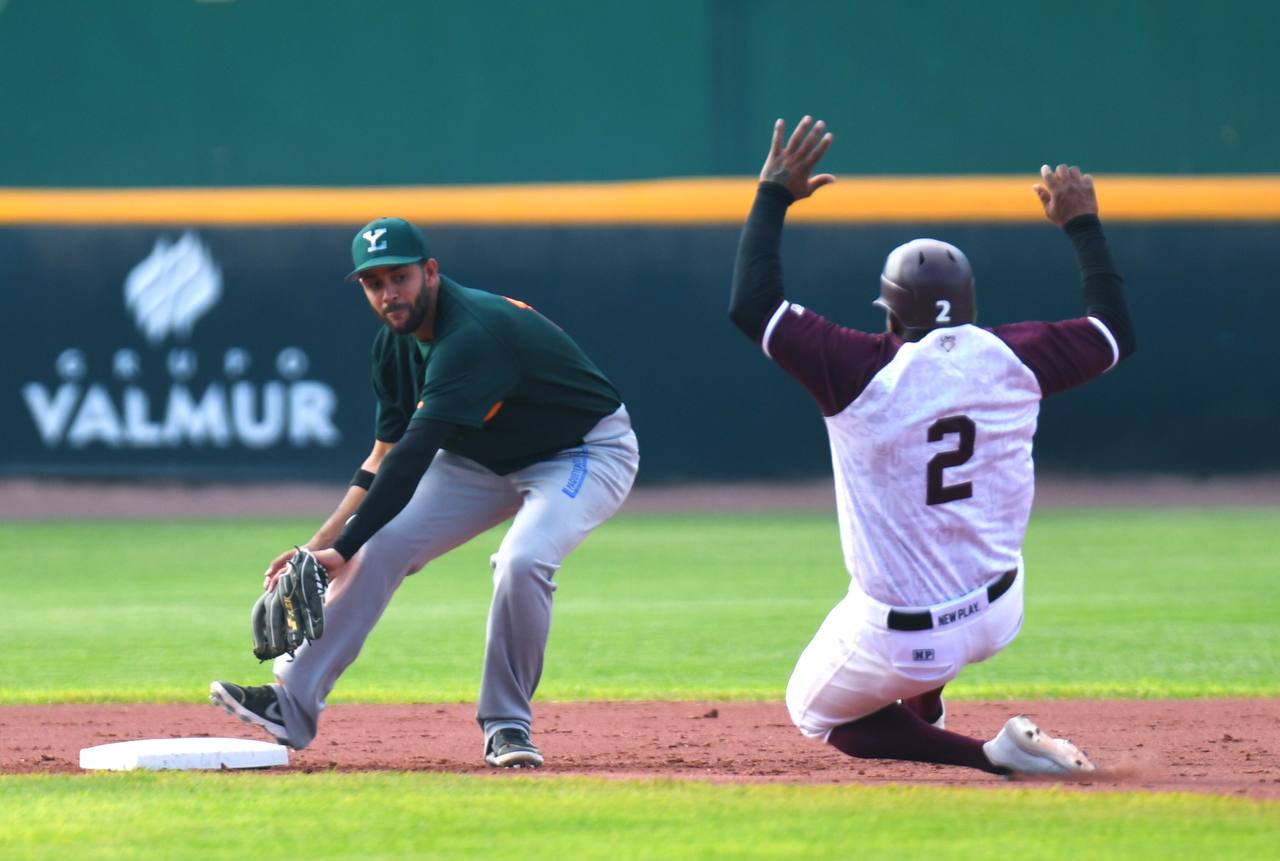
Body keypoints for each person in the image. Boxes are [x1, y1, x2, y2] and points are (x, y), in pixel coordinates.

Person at [728, 117, 1134, 776]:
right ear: (969, 306)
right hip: (1001, 608)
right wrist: (1082, 225)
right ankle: (928, 705)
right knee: (936, 565)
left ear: (888, 313)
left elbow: (753, 304)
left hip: (906, 633)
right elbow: (1113, 331)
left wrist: (773, 195)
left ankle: (990, 756)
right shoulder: (1016, 357)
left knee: (813, 709)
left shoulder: (856, 369)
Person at [211, 217, 639, 768]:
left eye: (400, 277)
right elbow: (382, 459)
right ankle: (290, 703)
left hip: (581, 452)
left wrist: (336, 553)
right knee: (377, 543)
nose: (389, 293)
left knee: (522, 560)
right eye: (374, 282)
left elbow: (414, 457)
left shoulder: (471, 335)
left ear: (430, 272)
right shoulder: (393, 346)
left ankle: (507, 723)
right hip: (480, 458)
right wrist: (319, 544)